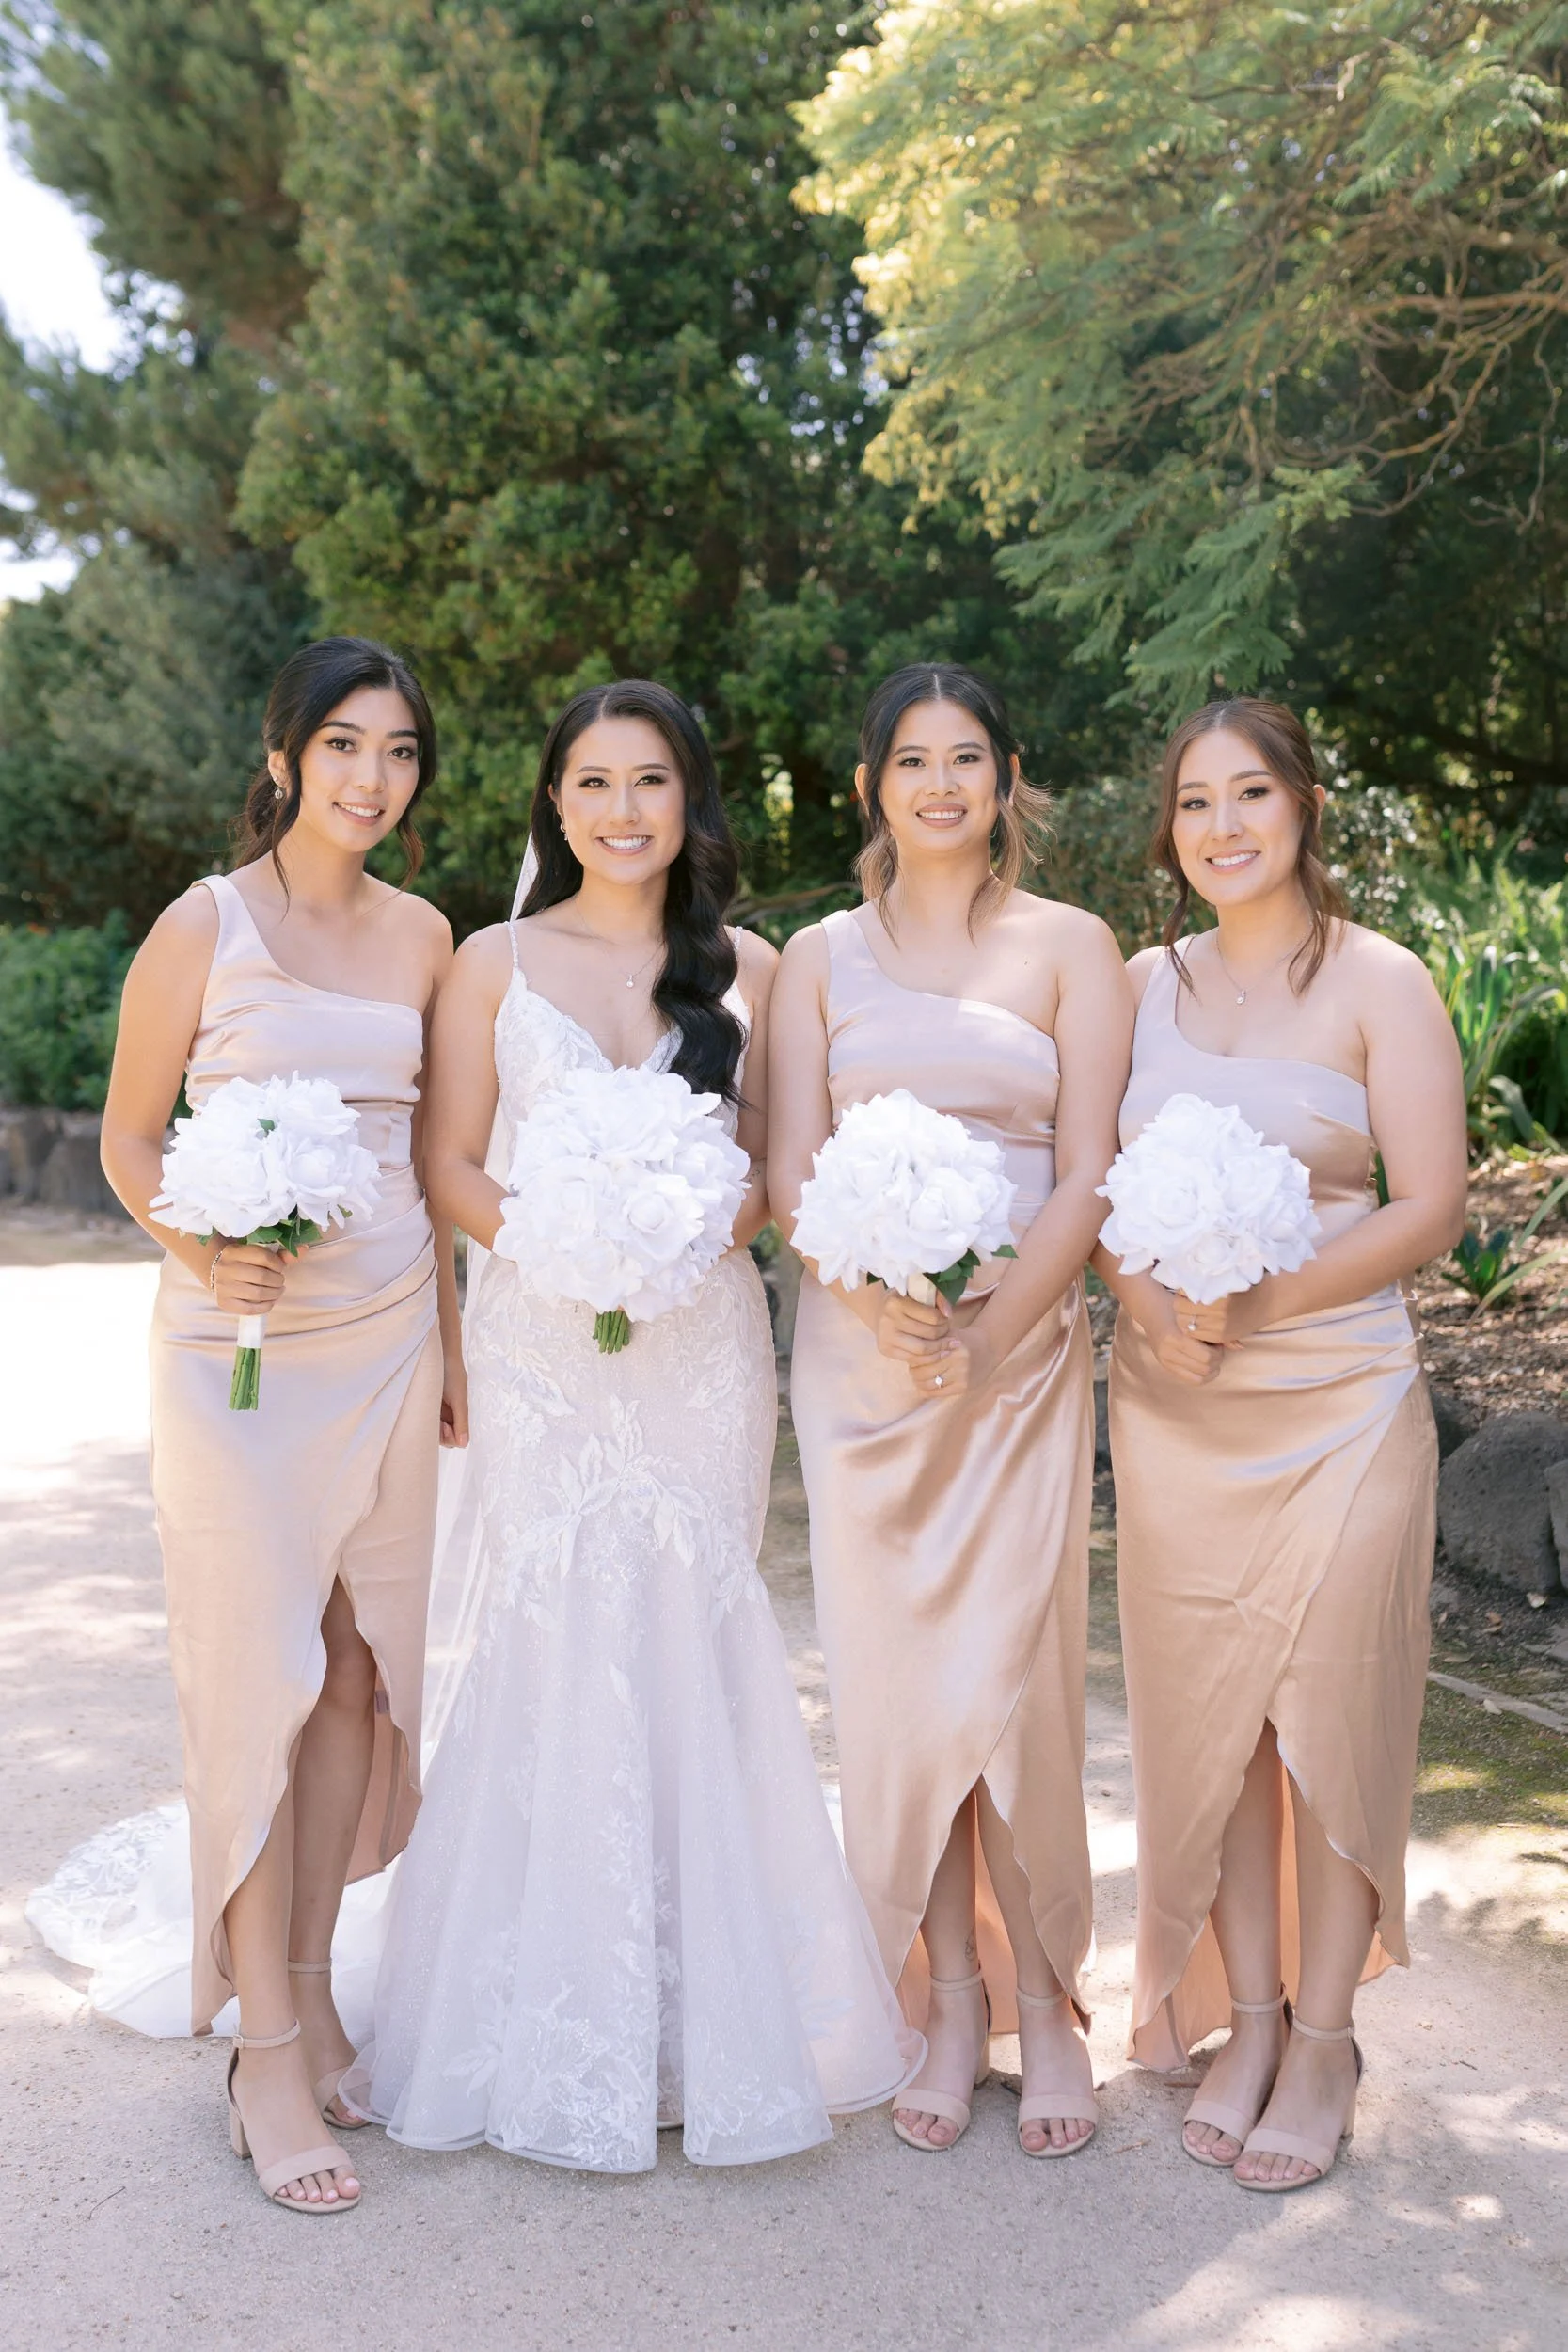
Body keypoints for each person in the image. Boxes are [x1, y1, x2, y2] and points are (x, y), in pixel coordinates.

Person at [347, 678, 921, 2172]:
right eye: (592, 782)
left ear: (690, 798)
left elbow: (772, 1166)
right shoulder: (491, 960)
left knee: (692, 1615)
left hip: (698, 1340)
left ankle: (706, 2022)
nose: (620, 810)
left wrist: (671, 1244)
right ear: (554, 801)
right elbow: (449, 1161)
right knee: (553, 1621)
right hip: (544, 1337)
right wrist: (563, 1244)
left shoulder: (751, 968)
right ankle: (538, 2021)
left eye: (648, 780)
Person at [97, 636, 463, 2214]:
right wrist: (203, 1246)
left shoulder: (429, 935)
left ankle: (308, 1995)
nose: (372, 779)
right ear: (281, 759)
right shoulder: (205, 923)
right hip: (236, 1348)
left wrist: (450, 1346)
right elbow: (129, 1138)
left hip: (388, 1330)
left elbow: (432, 1153)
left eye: (398, 752)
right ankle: (257, 2054)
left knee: (360, 1670)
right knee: (258, 1675)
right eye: (343, 747)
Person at [1098, 697, 1466, 2192]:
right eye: (1194, 802)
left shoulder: (1383, 980)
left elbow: (1428, 1205)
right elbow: (1090, 1187)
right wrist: (1147, 1300)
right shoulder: (1137, 987)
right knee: (1218, 1727)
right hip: (1175, 1404)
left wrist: (1259, 1300)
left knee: (1330, 1722)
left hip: (1340, 1399)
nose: (1222, 826)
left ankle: (1323, 2039)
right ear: (1169, 829)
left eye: (1249, 793)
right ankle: (1243, 2022)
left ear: (1304, 804)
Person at [769, 663, 1132, 2157]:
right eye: (910, 760)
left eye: (964, 757)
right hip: (863, 1369)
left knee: (1019, 1689)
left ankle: (1047, 2007)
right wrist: (882, 1308)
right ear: (871, 786)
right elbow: (792, 1168)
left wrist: (989, 1335)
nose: (938, 784)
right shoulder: (816, 956)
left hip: (1019, 1361)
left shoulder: (1072, 946)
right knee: (898, 1696)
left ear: (1004, 777)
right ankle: (944, 2001)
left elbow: (1090, 1165)